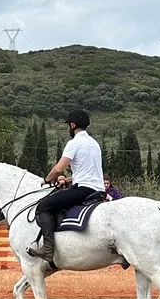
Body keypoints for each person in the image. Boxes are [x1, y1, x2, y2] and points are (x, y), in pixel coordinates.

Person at [28, 109, 105, 264]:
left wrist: (49, 179)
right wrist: (68, 180)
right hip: (97, 189)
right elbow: (87, 171)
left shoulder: (74, 143)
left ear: (72, 125)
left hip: (83, 189)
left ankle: (48, 249)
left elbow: (58, 168)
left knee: (44, 206)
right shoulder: (94, 143)